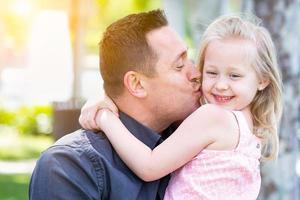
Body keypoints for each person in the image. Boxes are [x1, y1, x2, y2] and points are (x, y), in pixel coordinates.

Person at [81, 15, 283, 200]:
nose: (221, 85)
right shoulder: (248, 124)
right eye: (212, 73)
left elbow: (149, 166)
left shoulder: (213, 117)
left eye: (235, 76)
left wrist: (105, 117)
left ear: (263, 80)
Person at [29, 10, 201, 200]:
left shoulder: (201, 142)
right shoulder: (69, 166)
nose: (196, 73)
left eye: (190, 59)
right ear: (136, 84)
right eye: (179, 66)